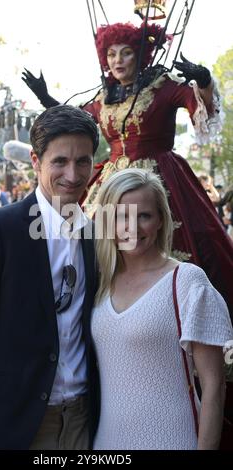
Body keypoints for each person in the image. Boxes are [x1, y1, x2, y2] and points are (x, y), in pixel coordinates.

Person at [22, 21, 233, 320]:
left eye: (125, 53)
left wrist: (204, 81)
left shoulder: (163, 87)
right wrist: (46, 99)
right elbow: (74, 121)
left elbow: (200, 106)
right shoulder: (102, 98)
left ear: (140, 55)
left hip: (160, 177)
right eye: (111, 54)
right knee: (87, 241)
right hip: (108, 182)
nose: (117, 61)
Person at [0, 105, 100, 450]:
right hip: (18, 425)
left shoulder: (95, 235)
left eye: (83, 161)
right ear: (35, 160)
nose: (73, 175)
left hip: (84, 422)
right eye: (60, 161)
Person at [91, 168, 233, 450]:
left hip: (172, 439)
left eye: (144, 215)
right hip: (106, 444)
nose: (132, 227)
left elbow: (215, 385)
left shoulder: (187, 281)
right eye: (120, 216)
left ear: (160, 220)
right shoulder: (99, 281)